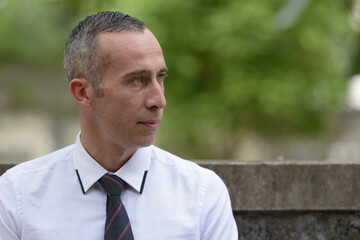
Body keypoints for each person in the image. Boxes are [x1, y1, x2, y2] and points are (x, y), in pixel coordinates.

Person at [0, 11, 238, 239]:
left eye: (160, 78)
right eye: (137, 80)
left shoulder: (202, 193)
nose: (159, 100)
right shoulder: (16, 197)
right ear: (82, 92)